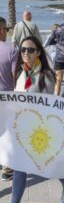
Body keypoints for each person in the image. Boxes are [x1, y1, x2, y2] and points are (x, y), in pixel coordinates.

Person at [0, 36, 64, 203]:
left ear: (39, 53)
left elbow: (45, 105)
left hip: (38, 131)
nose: (26, 53)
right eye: (23, 50)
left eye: (31, 50)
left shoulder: (46, 76)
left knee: (51, 164)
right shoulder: (21, 72)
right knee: (21, 167)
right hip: (21, 129)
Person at [0, 17, 18, 181]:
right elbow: (15, 77)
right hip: (6, 98)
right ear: (1, 30)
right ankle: (6, 168)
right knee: (7, 134)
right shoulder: (11, 50)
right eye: (6, 29)